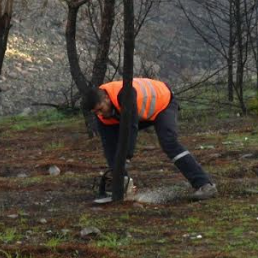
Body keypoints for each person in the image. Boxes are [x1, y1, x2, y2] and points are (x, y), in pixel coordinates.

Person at [89, 77, 217, 202]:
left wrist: (126, 156)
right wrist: (117, 172)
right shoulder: (102, 115)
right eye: (96, 112)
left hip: (163, 102)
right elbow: (109, 146)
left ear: (106, 98)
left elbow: (131, 127)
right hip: (141, 111)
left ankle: (205, 185)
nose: (100, 114)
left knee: (169, 142)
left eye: (100, 109)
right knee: (112, 148)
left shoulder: (125, 95)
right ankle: (122, 188)